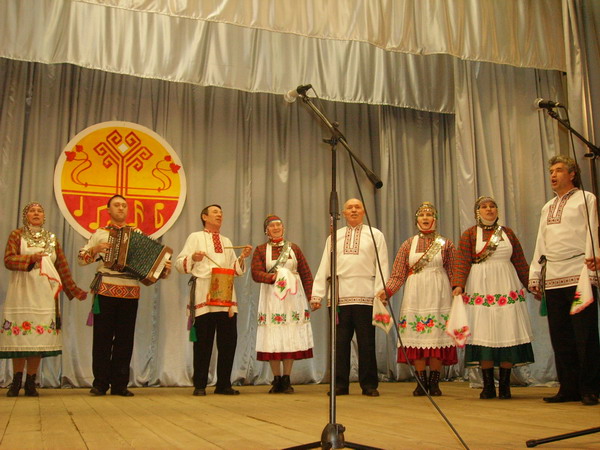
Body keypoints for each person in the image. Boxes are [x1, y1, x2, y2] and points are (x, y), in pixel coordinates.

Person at [78, 195, 171, 397]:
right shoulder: (100, 233)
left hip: (130, 291)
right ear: (108, 210)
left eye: (123, 205)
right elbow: (81, 259)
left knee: (124, 339)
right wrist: (95, 249)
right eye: (116, 205)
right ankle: (100, 383)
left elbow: (151, 268)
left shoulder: (137, 234)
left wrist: (164, 268)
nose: (121, 208)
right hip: (105, 289)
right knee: (102, 338)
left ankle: (120, 384)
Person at [529, 155, 600, 406]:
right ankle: (568, 388)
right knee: (560, 335)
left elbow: (593, 229)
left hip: (580, 273)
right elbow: (541, 241)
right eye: (551, 171)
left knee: (585, 333)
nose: (553, 174)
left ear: (572, 174)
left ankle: (590, 388)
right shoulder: (547, 206)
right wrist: (535, 273)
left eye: (559, 170)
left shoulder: (586, 198)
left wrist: (593, 264)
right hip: (555, 275)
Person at [1, 202, 87, 397]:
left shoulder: (52, 239)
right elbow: (8, 260)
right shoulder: (17, 235)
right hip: (21, 291)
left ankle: (31, 381)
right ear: (26, 215)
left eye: (40, 211)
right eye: (32, 211)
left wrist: (74, 290)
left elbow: (62, 267)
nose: (36, 213)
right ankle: (16, 381)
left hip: (44, 293)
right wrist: (31, 259)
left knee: (37, 338)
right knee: (20, 338)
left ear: (44, 216)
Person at [452, 196, 533, 400]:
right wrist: (458, 285)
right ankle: (488, 385)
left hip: (506, 286)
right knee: (484, 332)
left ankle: (505, 386)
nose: (489, 209)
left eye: (492, 206)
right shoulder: (469, 234)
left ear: (497, 210)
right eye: (484, 207)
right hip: (480, 287)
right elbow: (462, 261)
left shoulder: (508, 233)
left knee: (507, 330)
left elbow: (520, 262)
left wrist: (532, 284)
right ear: (477, 212)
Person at [376, 202, 457, 396]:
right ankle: (420, 381)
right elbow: (398, 274)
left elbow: (454, 270)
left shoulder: (446, 244)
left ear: (435, 219)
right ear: (416, 220)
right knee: (418, 338)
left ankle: (435, 382)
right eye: (422, 215)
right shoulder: (408, 244)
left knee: (437, 338)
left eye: (429, 215)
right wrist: (386, 292)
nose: (425, 218)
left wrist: (458, 289)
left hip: (439, 293)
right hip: (416, 293)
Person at [311, 198, 389, 397]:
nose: (353, 210)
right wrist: (317, 294)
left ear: (363, 211)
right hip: (339, 297)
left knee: (367, 343)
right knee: (340, 344)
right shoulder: (333, 237)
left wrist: (381, 292)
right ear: (343, 213)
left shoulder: (375, 235)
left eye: (358, 207)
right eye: (349, 208)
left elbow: (382, 265)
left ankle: (369, 385)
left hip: (366, 296)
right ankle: (339, 384)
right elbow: (324, 267)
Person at [175, 204, 252, 396]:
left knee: (228, 341)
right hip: (204, 292)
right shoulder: (195, 237)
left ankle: (223, 384)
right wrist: (193, 257)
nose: (220, 214)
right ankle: (200, 384)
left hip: (226, 295)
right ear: (204, 217)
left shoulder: (226, 240)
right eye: (215, 212)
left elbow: (234, 269)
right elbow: (179, 263)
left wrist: (242, 257)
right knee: (203, 341)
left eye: (221, 212)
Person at [251, 215, 315, 394]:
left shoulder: (293, 248)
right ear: (266, 230)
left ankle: (287, 378)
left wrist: (312, 297)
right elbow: (255, 273)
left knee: (290, 334)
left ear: (284, 228)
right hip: (272, 297)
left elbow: (305, 273)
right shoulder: (261, 250)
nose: (276, 228)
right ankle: (276, 378)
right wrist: (272, 277)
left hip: (293, 297)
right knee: (273, 335)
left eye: (279, 225)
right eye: (272, 226)